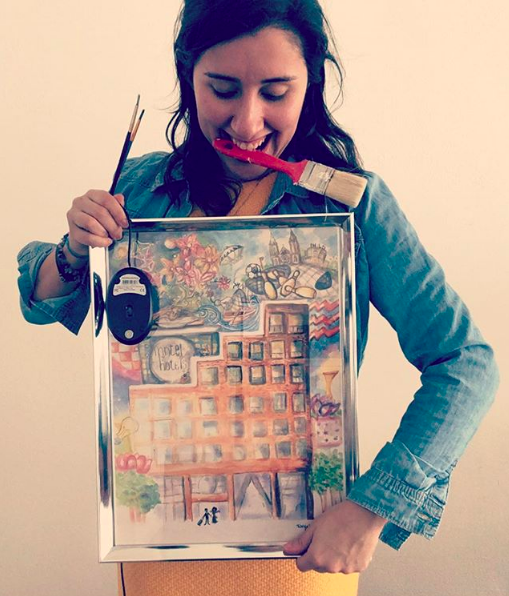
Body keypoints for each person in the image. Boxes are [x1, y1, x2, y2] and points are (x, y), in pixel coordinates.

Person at [17, 0, 498, 595]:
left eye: (275, 92)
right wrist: (72, 250)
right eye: (222, 89)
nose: (247, 123)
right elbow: (45, 301)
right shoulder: (142, 187)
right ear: (187, 76)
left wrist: (374, 506)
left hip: (299, 565)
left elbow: (466, 362)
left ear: (311, 83)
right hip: (154, 556)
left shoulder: (350, 203)